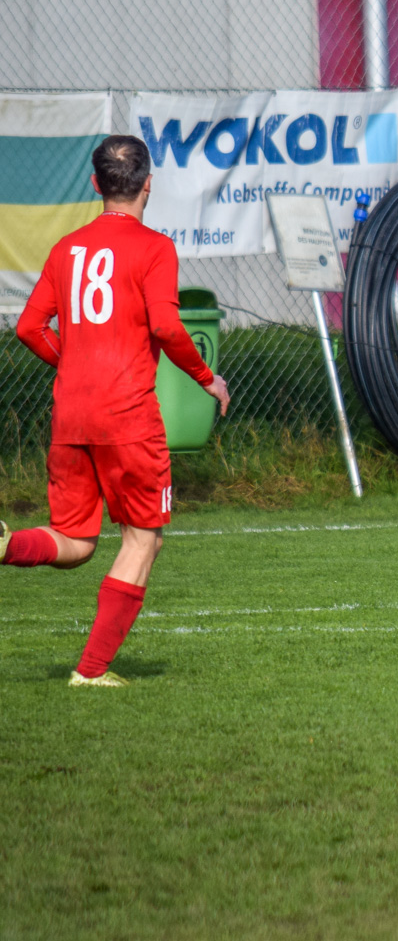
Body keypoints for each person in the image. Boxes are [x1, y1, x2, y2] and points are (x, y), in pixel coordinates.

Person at [1, 135, 230, 687]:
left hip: (71, 416)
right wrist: (207, 378)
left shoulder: (67, 248)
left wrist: (72, 362)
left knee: (76, 541)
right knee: (143, 539)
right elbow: (166, 326)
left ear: (95, 184)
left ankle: (3, 544)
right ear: (148, 185)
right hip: (127, 417)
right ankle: (91, 671)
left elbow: (29, 327)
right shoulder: (155, 248)